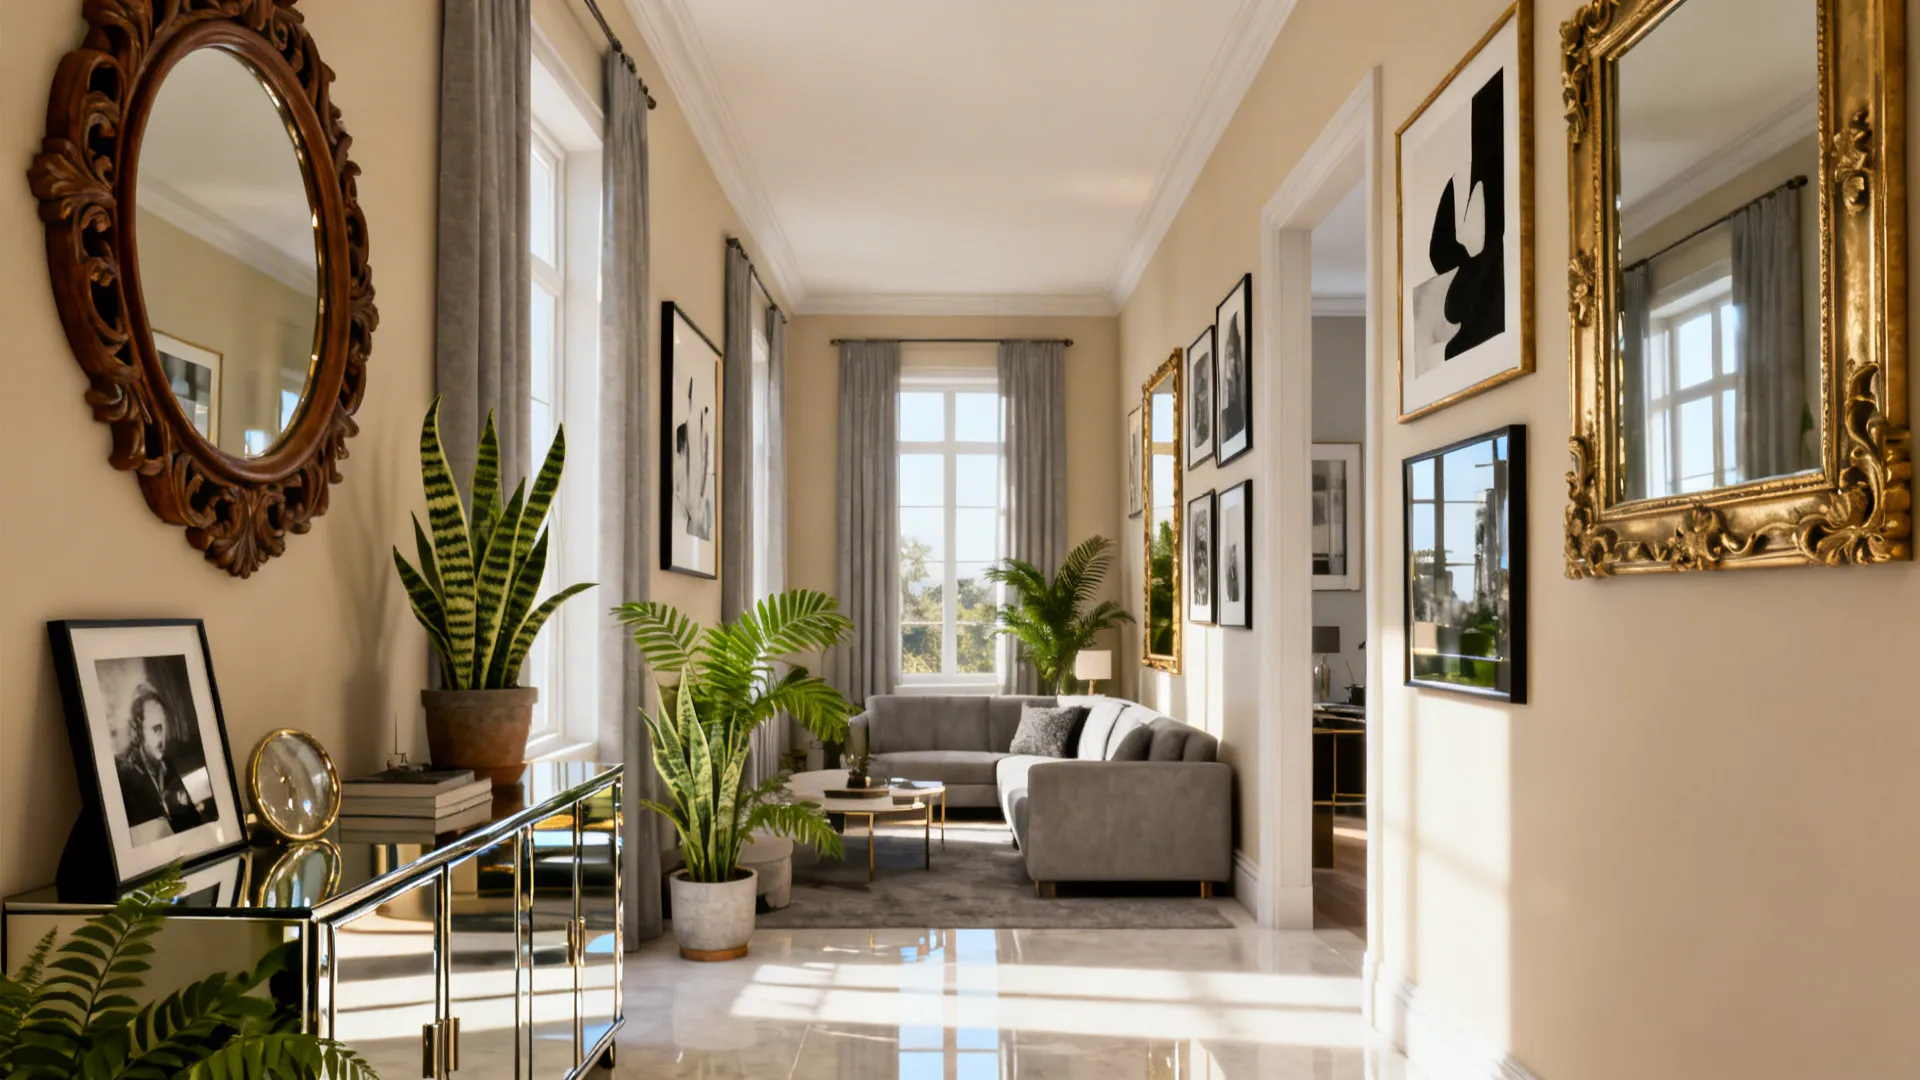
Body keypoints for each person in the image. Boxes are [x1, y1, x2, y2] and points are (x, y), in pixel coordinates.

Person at [116, 686, 203, 837]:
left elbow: (191, 819)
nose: (163, 740)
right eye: (156, 729)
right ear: (138, 732)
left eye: (164, 729)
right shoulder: (126, 779)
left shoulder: (166, 765)